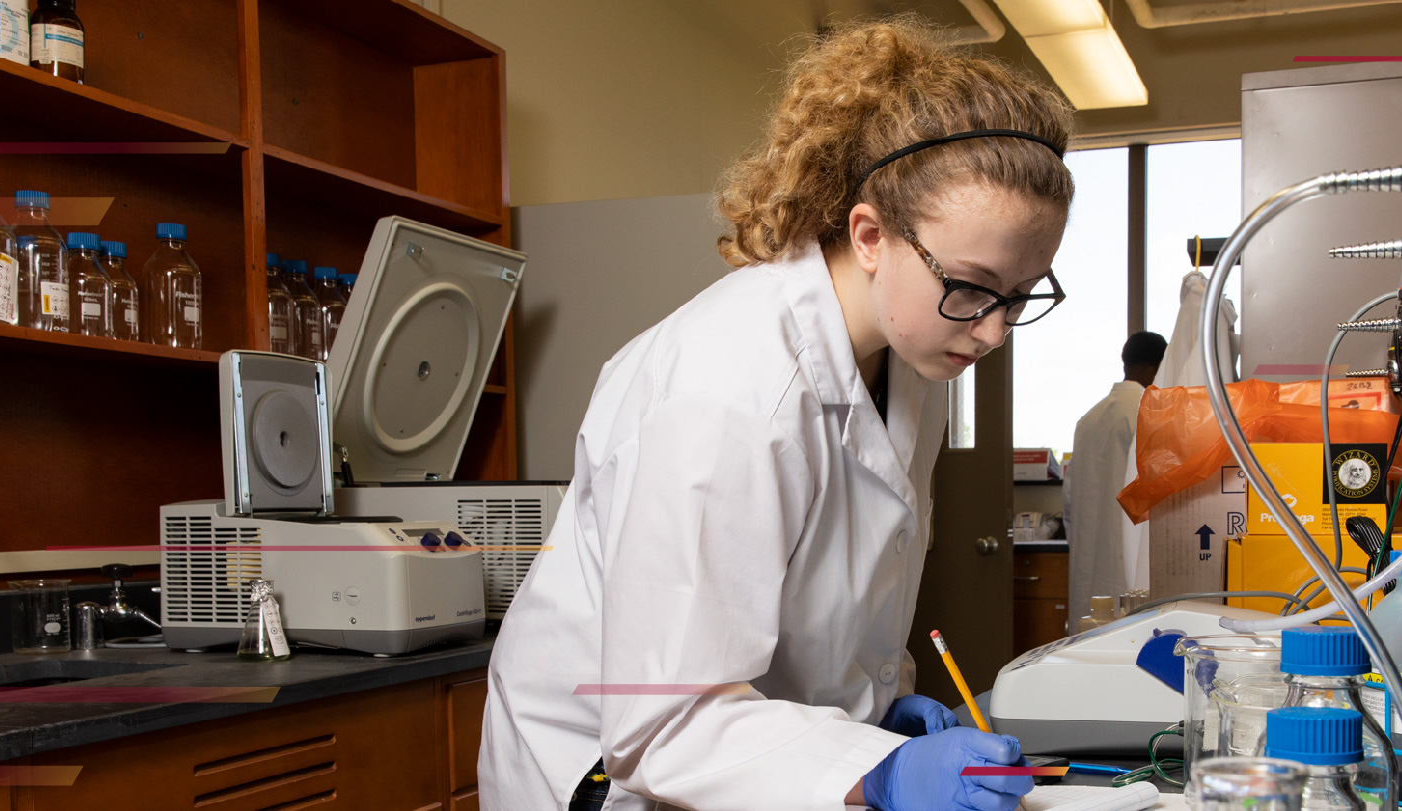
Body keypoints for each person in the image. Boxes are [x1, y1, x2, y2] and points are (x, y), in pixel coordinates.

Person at [479, 19, 1074, 811]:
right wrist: (877, 770)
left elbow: (824, 604)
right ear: (869, 235)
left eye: (1021, 295)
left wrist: (873, 714)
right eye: (971, 285)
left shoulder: (913, 358)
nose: (994, 329)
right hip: (599, 777)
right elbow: (665, 725)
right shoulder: (728, 386)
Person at [1062, 332, 1166, 633]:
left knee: (1090, 635)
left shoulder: (1089, 418)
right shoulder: (1146, 410)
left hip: (1089, 557)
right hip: (1130, 555)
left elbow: (1069, 499)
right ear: (1153, 368)